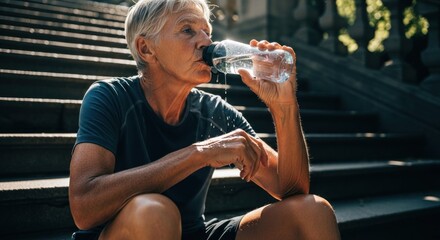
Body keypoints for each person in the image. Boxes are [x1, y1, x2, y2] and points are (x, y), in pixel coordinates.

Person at [69, 0, 341, 239]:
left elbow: (291, 188)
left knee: (312, 211)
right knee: (155, 211)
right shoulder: (110, 96)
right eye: (188, 30)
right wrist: (199, 154)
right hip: (123, 233)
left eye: (207, 32)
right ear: (146, 49)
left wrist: (284, 107)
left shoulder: (213, 111)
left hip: (194, 233)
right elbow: (84, 207)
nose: (206, 42)